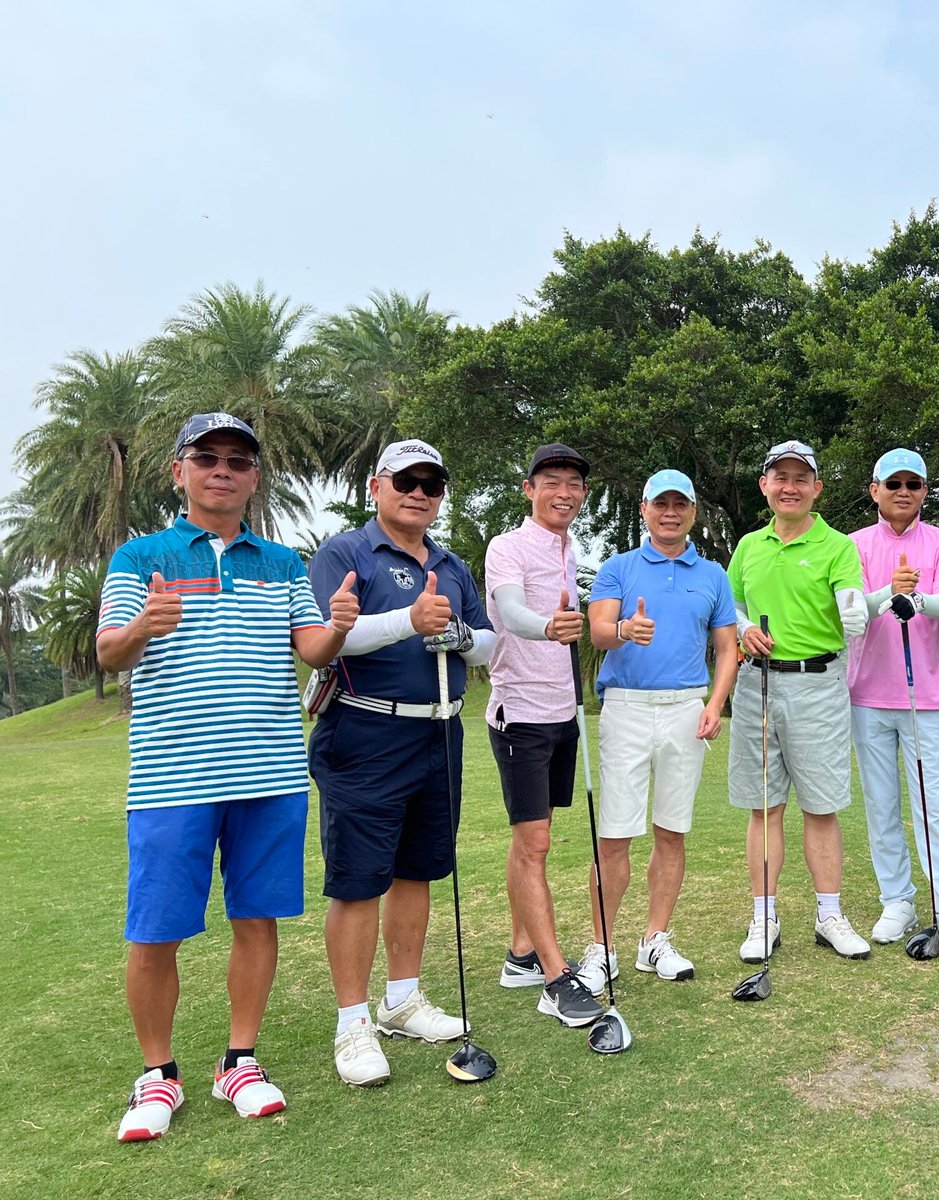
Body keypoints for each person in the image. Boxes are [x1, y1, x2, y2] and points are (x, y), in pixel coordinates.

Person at [97, 413, 356, 1140]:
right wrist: (142, 626)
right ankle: (158, 1074)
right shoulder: (140, 556)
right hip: (171, 778)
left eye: (238, 461)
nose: (222, 469)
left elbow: (311, 649)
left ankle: (239, 1061)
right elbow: (110, 653)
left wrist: (339, 625)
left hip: (270, 774)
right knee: (155, 931)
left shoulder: (283, 562)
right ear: (178, 471)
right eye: (206, 456)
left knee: (256, 918)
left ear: (254, 478)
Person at [308, 439, 496, 1086]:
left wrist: (458, 635)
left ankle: (402, 1000)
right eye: (406, 481)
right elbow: (330, 637)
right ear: (376, 486)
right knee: (359, 880)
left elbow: (488, 646)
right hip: (365, 731)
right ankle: (353, 1022)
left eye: (431, 484)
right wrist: (409, 621)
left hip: (438, 732)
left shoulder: (451, 564)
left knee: (419, 869)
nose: (419, 493)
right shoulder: (344, 553)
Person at [585, 469, 738, 982]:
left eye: (680, 504)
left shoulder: (713, 575)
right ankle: (601, 947)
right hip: (626, 707)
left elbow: (726, 649)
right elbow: (598, 631)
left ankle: (655, 939)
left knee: (672, 831)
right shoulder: (619, 567)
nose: (670, 513)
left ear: (693, 512)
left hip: (686, 708)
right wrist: (626, 629)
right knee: (614, 835)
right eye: (660, 504)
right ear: (645, 509)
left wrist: (716, 703)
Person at [728, 439, 872, 962]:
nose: (790, 487)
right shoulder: (749, 546)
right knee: (764, 806)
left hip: (817, 684)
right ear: (764, 485)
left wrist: (854, 609)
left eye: (800, 479)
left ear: (817, 488)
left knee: (821, 806)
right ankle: (763, 916)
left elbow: (850, 597)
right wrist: (743, 628)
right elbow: (732, 606)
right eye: (780, 478)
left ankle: (829, 915)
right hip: (756, 685)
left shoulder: (837, 546)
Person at [482, 443, 604, 1028]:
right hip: (521, 714)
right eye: (551, 481)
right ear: (529, 489)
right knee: (534, 844)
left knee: (533, 839)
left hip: (562, 712)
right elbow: (510, 612)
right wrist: (548, 627)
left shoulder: (569, 548)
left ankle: (521, 954)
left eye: (574, 484)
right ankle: (556, 978)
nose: (564, 492)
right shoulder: (506, 546)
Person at [847, 448, 939, 970]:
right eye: (893, 483)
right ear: (875, 490)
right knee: (881, 805)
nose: (903, 492)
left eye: (913, 484)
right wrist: (888, 593)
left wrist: (918, 599)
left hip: (924, 695)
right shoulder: (854, 544)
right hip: (867, 693)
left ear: (924, 491)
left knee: (933, 806)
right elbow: (851, 608)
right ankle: (897, 900)